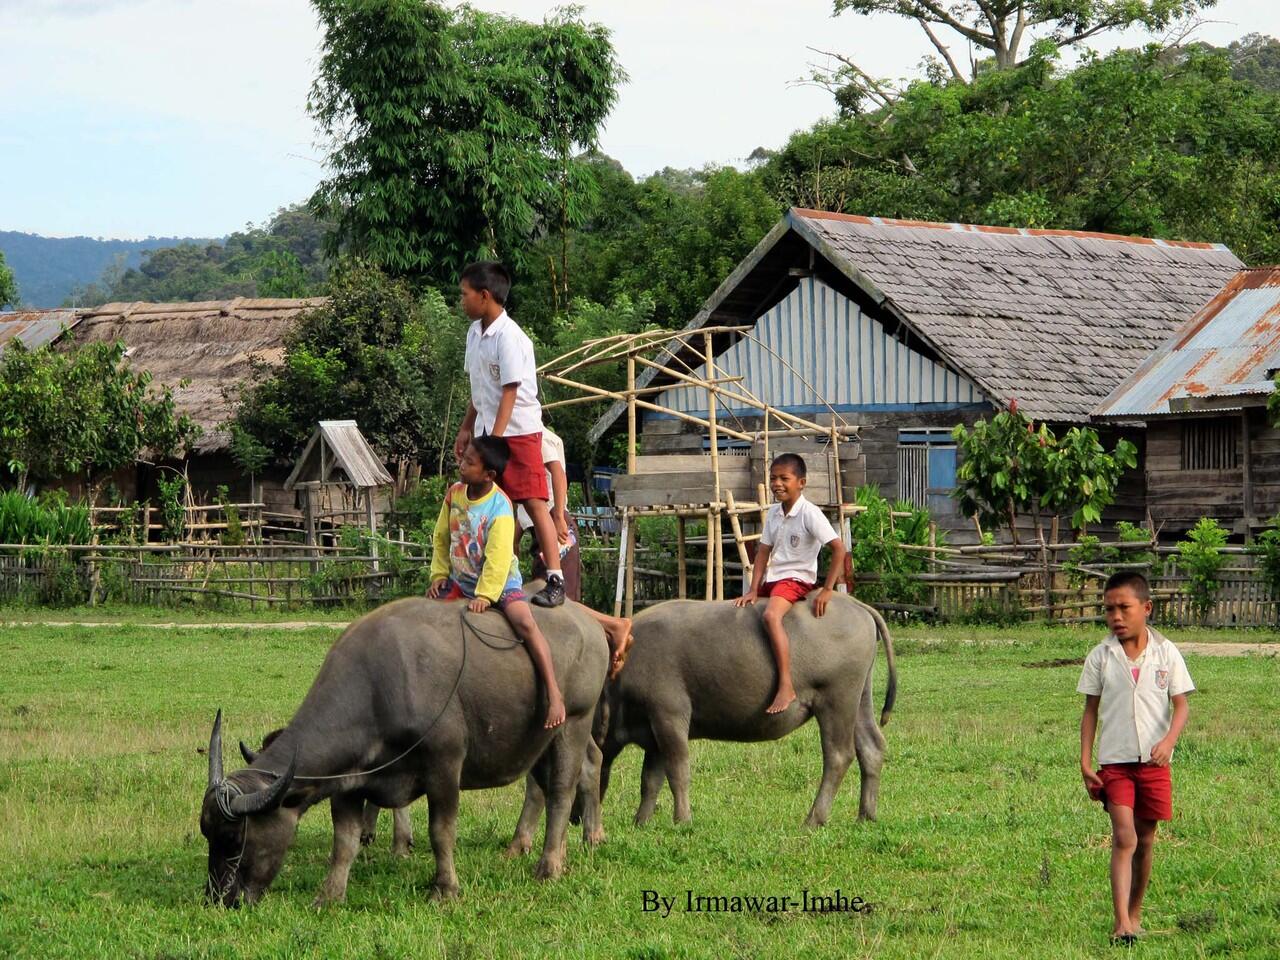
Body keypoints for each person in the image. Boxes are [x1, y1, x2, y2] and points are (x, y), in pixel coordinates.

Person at [1078, 570, 1194, 945]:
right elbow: (1090, 711)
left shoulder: (1166, 652)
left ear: (1146, 608)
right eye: (1108, 609)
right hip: (1115, 763)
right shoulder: (1100, 656)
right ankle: (1121, 924)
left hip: (1155, 763)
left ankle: (1136, 911)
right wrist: (1084, 760)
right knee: (1124, 836)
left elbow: (1181, 706)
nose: (1115, 617)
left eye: (1124, 608)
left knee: (1145, 839)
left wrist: (1169, 741)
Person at [428, 435, 565, 729]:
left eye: (469, 463)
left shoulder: (501, 506)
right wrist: (439, 575)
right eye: (463, 459)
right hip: (460, 579)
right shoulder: (454, 494)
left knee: (524, 622)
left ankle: (553, 692)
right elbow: (441, 537)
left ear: (489, 474)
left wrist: (487, 596)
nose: (462, 465)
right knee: (427, 622)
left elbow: (500, 556)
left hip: (500, 583)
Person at [454, 260, 565, 608]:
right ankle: (500, 576)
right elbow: (480, 389)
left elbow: (509, 391)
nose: (462, 301)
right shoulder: (474, 334)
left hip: (517, 432)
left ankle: (555, 579)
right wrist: (466, 427)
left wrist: (495, 440)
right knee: (498, 507)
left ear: (484, 296)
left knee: (533, 502)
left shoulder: (511, 337)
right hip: (489, 430)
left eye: (465, 294)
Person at [733, 453, 847, 714]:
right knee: (737, 610)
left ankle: (786, 684)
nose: (777, 484)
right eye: (773, 478)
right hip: (774, 579)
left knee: (771, 616)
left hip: (796, 579)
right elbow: (763, 551)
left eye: (785, 478)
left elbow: (839, 549)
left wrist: (828, 590)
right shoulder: (774, 512)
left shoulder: (810, 513)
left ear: (802, 483)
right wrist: (753, 588)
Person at [515, 427, 632, 675]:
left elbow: (557, 472)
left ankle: (613, 627)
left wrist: (558, 515)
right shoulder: (522, 438)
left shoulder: (536, 435)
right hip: (540, 530)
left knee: (558, 600)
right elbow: (524, 502)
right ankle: (610, 632)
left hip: (555, 528)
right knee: (544, 596)